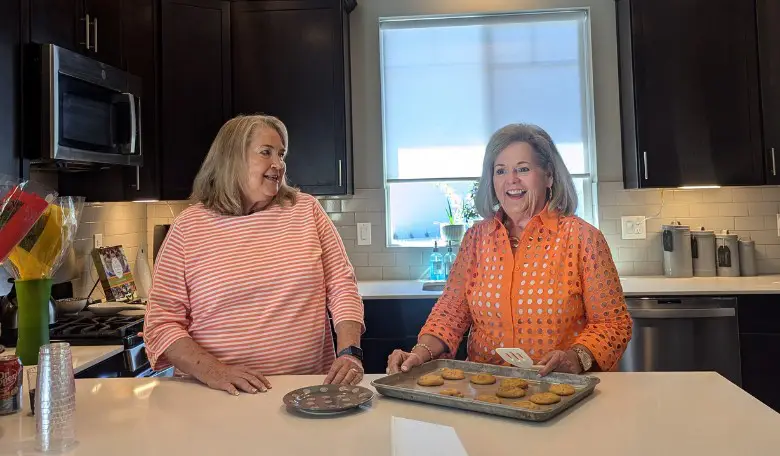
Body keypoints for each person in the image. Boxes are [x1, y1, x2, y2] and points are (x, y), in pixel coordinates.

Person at [144, 114, 365, 395]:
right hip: (216, 397)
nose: (279, 164)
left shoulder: (306, 211)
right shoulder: (188, 228)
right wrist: (215, 370)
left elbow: (342, 286)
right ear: (232, 158)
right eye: (266, 152)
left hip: (308, 392)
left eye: (281, 154)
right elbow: (162, 322)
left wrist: (349, 352)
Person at [387, 124, 632, 376]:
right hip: (486, 390)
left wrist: (575, 358)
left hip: (563, 388)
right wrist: (418, 353)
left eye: (523, 169)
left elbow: (613, 325)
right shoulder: (476, 239)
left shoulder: (583, 238)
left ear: (549, 176)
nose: (511, 179)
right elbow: (450, 314)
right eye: (500, 170)